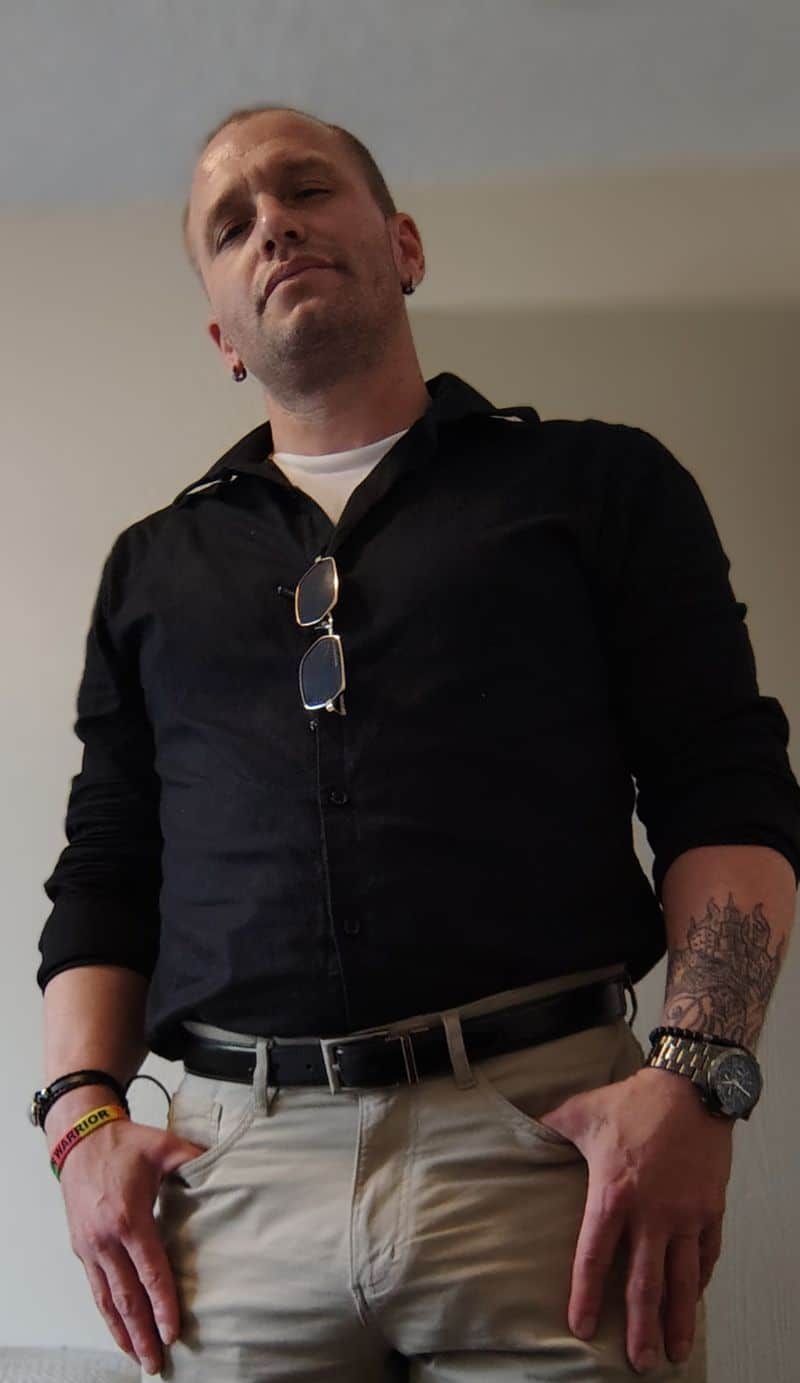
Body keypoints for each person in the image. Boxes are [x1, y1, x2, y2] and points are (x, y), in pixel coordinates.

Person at [33, 103, 800, 1383]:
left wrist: (698, 1076)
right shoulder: (152, 569)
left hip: (548, 1153)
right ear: (221, 335)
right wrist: (77, 1127)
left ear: (403, 245)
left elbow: (723, 788)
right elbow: (106, 867)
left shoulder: (598, 487)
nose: (272, 226)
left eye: (304, 191)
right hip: (226, 1186)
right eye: (230, 226)